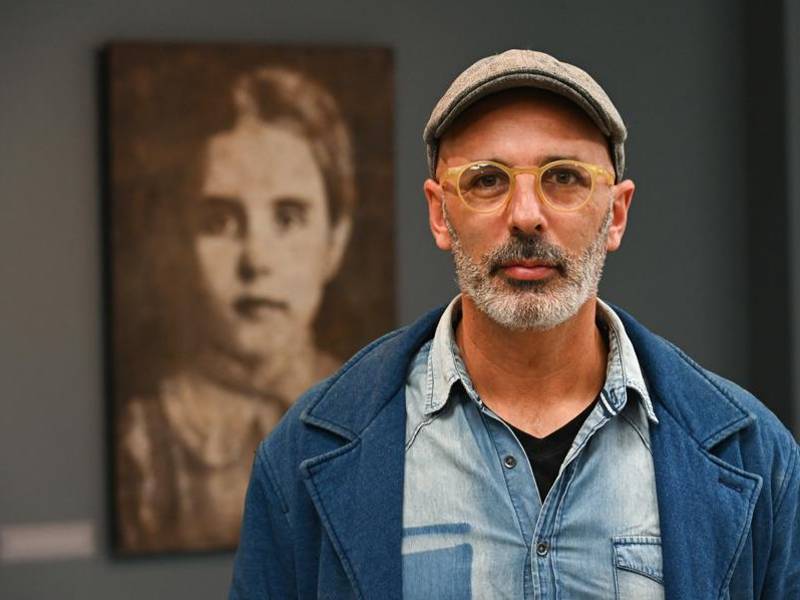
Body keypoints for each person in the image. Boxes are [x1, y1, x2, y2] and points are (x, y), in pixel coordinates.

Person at [229, 50, 800, 598]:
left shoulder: (754, 457)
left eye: (565, 178)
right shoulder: (303, 456)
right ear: (439, 214)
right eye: (486, 180)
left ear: (617, 214)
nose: (526, 215)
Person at [117, 66, 355, 552]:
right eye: (220, 221)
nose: (256, 260)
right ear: (180, 242)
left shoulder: (375, 418)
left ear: (335, 240)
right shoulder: (142, 443)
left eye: (288, 218)